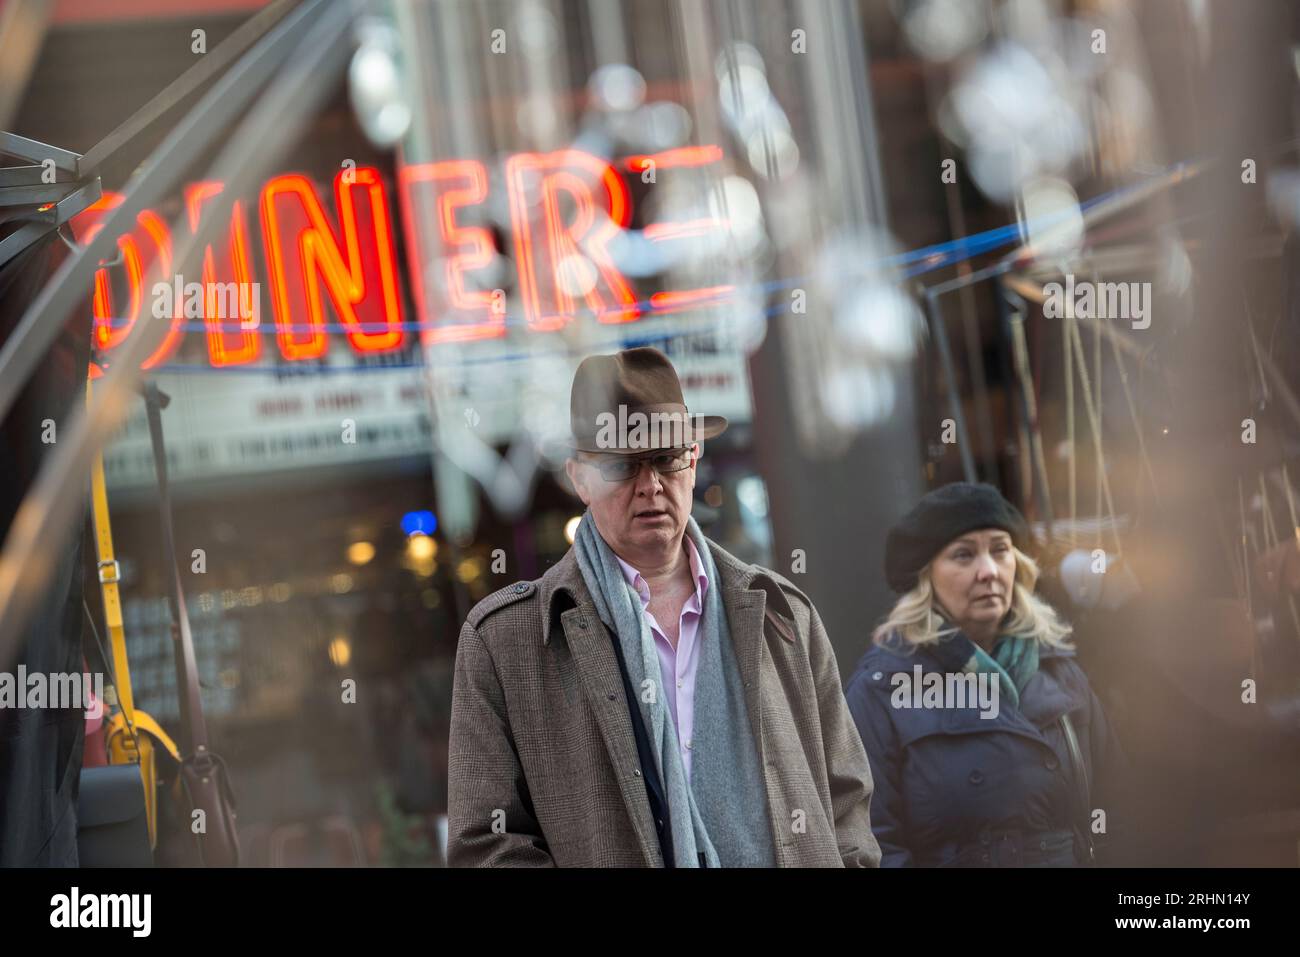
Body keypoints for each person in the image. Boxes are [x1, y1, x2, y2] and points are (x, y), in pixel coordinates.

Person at [447, 347, 880, 867]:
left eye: (666, 457)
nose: (650, 485)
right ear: (579, 478)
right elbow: (487, 845)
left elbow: (846, 798)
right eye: (622, 465)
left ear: (693, 459)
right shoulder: (506, 641)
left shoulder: (781, 614)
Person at [844, 482, 1122, 867]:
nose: (988, 571)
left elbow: (1120, 810)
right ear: (925, 579)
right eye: (963, 556)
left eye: (1000, 550)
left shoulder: (1061, 671)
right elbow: (876, 846)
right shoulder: (881, 691)